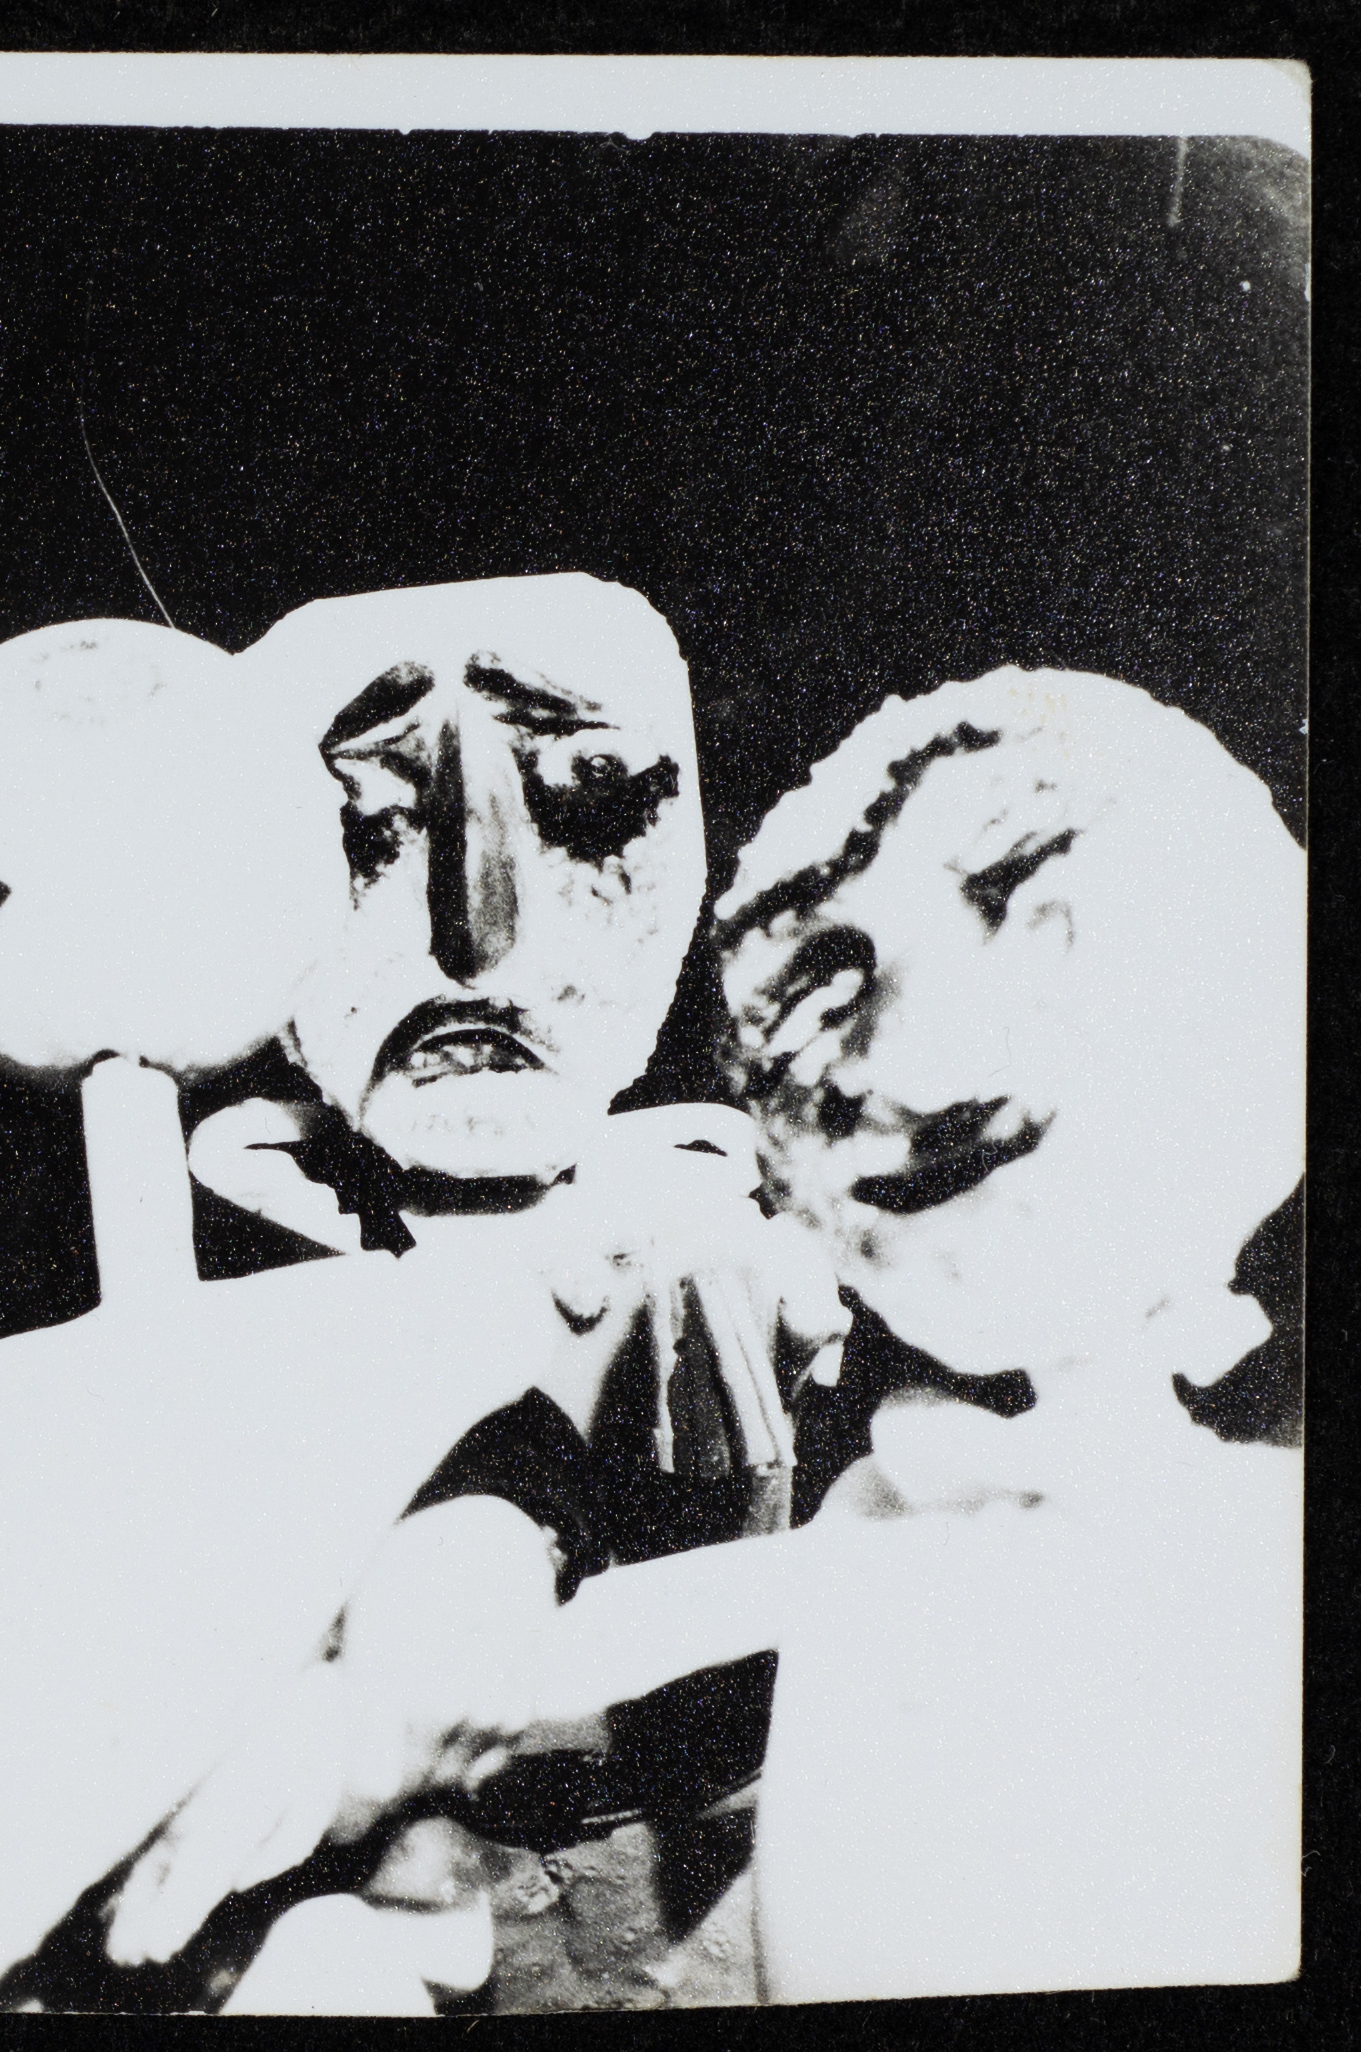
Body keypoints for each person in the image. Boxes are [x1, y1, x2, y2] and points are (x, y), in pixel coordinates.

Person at [0, 578, 840, 2011]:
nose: (473, 921)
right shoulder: (19, 1397)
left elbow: (611, 1418)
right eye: (363, 829)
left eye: (589, 805)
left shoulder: (720, 1256)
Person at [531, 666, 1302, 2001]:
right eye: (826, 998)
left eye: (1037, 937)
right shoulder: (890, 1500)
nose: (897, 1070)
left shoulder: (1243, 1542)